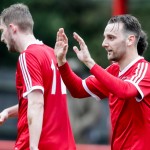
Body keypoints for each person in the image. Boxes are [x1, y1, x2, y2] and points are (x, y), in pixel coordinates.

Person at [54, 14, 150, 150]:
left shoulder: (144, 69)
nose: (104, 43)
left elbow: (125, 91)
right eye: (105, 37)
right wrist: (62, 63)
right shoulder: (113, 71)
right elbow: (77, 90)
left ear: (130, 40)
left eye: (111, 38)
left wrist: (90, 62)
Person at [0, 3, 76, 150]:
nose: (2, 37)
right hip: (64, 145)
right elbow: (43, 100)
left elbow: (37, 104)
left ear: (12, 28)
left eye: (2, 30)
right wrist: (8, 112)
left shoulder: (27, 57)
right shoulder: (52, 54)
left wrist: (33, 147)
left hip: (40, 144)